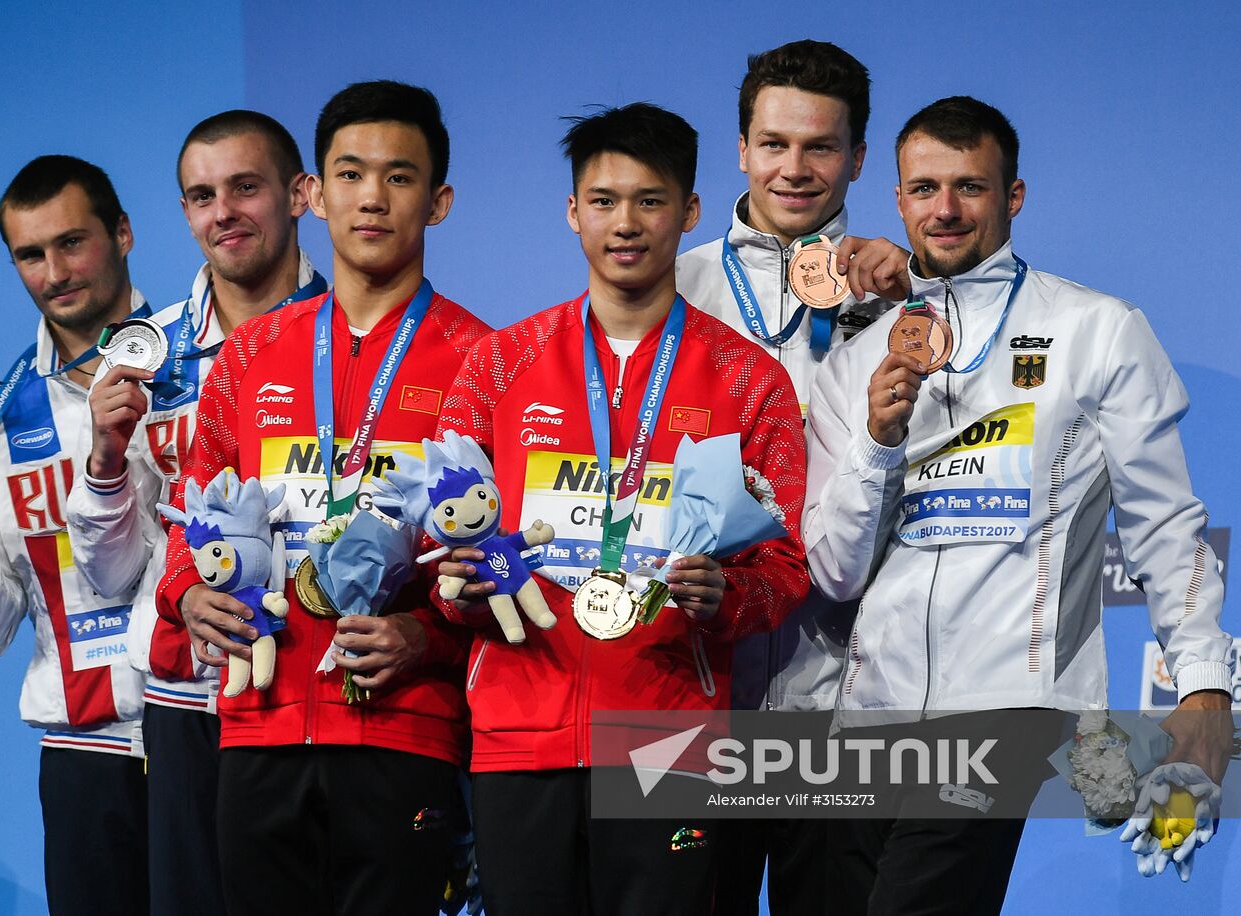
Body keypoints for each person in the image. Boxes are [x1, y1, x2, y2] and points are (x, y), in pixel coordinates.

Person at [803, 95, 1235, 914]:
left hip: (1006, 703)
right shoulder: (857, 357)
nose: (946, 209)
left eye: (970, 186)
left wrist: (1205, 685)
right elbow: (834, 569)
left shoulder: (1097, 329)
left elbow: (1164, 524)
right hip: (867, 716)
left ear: (1014, 196)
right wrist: (878, 442)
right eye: (925, 188)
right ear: (897, 200)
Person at [435, 102, 809, 916]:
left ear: (690, 211)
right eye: (603, 201)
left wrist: (728, 598)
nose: (626, 223)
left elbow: (785, 567)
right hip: (518, 736)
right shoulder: (497, 367)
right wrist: (458, 583)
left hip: (667, 743)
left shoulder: (750, 382)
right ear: (573, 212)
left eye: (650, 200)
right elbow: (443, 552)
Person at [155, 81, 489, 915]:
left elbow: (503, 560)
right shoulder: (249, 356)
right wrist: (187, 592)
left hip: (403, 726)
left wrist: (427, 634)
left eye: (400, 177)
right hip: (258, 723)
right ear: (313, 193)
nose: (372, 197)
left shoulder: (485, 360)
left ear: (439, 202)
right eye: (350, 173)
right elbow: (192, 519)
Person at [65, 110, 326, 916]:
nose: (223, 213)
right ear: (183, 213)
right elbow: (111, 573)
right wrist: (106, 461)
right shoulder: (144, 357)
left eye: (245, 187)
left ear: (300, 194)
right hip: (191, 706)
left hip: (325, 695)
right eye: (201, 196)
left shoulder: (360, 340)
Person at [674, 41, 905, 915]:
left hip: (850, 695)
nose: (795, 169)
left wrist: (911, 285)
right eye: (774, 143)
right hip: (696, 693)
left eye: (821, 147)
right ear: (739, 147)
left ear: (858, 157)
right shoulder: (675, 284)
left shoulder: (901, 297)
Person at [0, 155, 150, 915]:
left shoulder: (207, 368)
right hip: (84, 756)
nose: (55, 272)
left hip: (215, 726)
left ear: (122, 234)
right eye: (29, 254)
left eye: (73, 243)